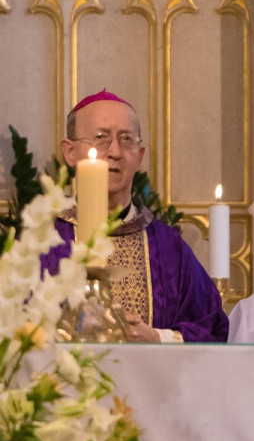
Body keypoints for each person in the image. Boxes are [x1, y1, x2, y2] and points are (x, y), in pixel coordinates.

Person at [42, 90, 228, 343]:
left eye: (126, 139)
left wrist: (158, 338)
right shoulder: (42, 244)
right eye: (101, 138)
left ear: (139, 157)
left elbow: (213, 328)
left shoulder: (169, 249)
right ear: (70, 152)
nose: (115, 151)